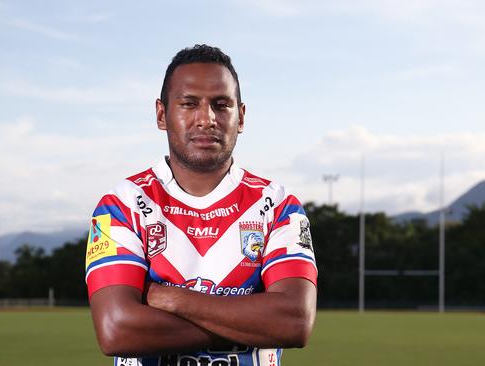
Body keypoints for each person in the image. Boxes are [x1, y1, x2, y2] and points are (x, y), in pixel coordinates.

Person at [84, 44, 317, 366]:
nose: (206, 119)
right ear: (162, 114)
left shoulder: (278, 205)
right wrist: (252, 322)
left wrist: (172, 298)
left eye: (221, 105)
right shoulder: (122, 205)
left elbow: (294, 322)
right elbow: (117, 330)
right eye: (189, 104)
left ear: (241, 117)